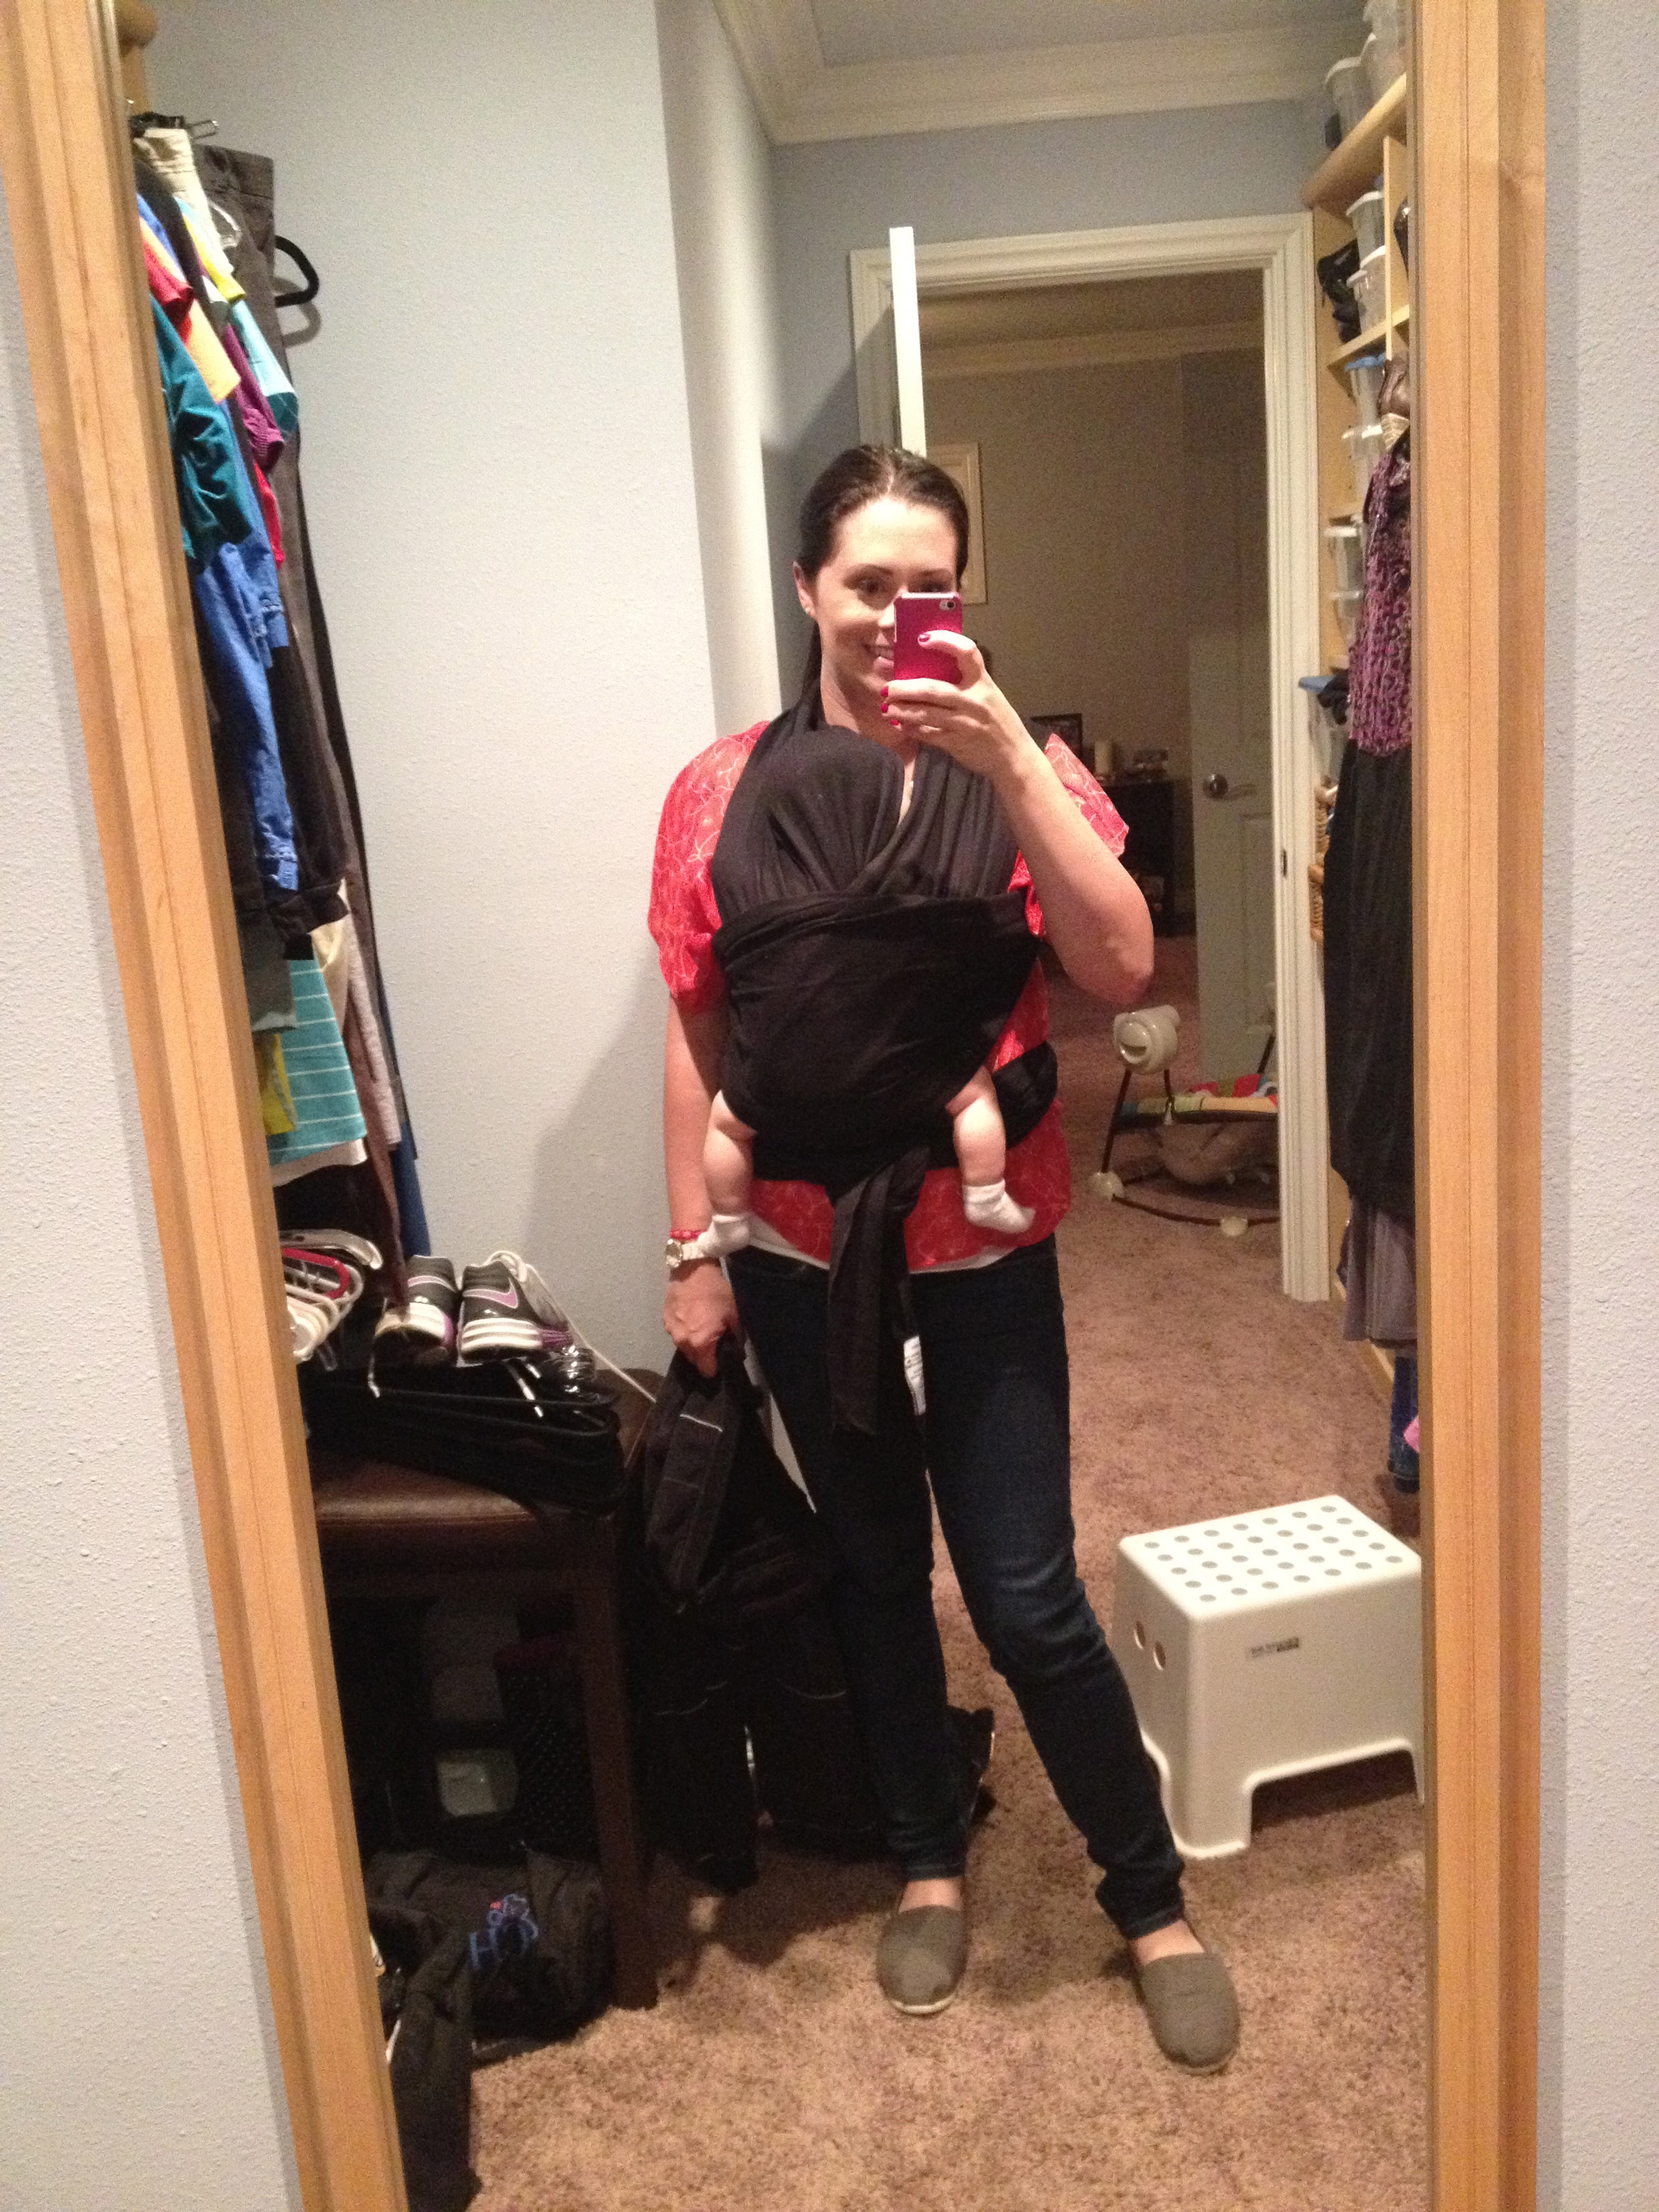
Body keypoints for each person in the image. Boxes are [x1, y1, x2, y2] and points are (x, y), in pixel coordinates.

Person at [649, 445, 1240, 2071]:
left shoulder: (1019, 763)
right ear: (807, 589)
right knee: (871, 1569)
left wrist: (1014, 769)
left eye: (930, 586)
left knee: (1027, 1591)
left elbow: (1123, 968)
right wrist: (694, 1251)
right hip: (794, 1245)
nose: (894, 613)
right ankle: (925, 1855)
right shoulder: (717, 792)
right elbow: (701, 1037)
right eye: (867, 583)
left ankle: (1148, 1897)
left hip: (983, 1242)